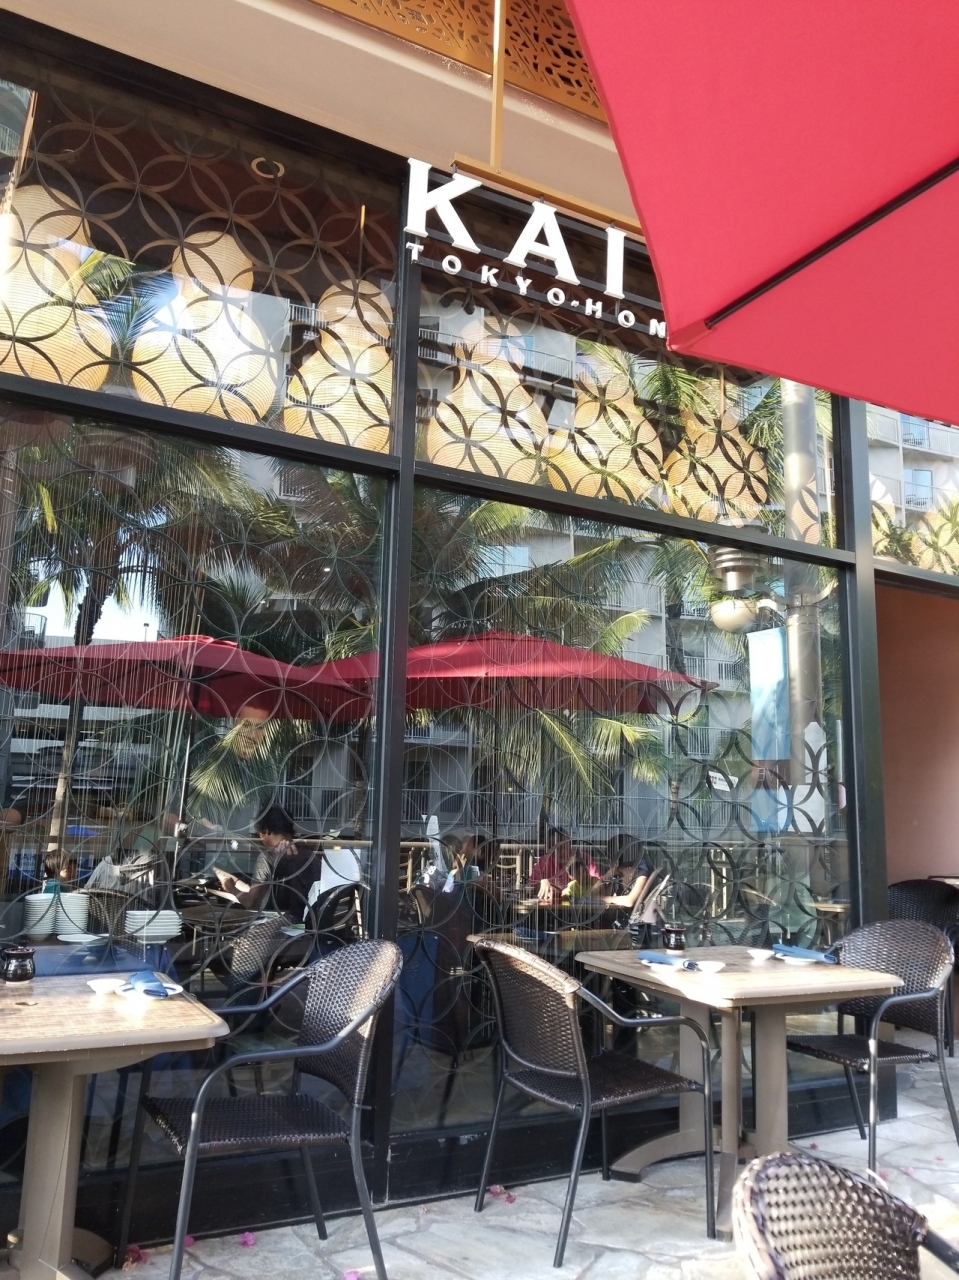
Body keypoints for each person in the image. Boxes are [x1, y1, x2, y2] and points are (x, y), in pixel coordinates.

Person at [214, 806, 320, 922]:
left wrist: (230, 886)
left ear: (266, 830)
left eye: (260, 834)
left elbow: (251, 903)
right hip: (306, 923)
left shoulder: (267, 857)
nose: (260, 839)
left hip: (275, 925)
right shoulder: (311, 856)